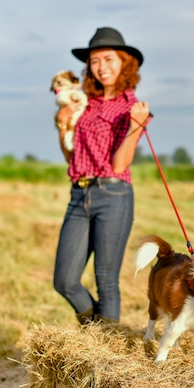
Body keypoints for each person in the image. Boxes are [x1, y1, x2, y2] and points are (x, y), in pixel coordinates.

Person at [53, 27, 150, 324]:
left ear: (124, 63)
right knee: (64, 281)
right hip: (79, 193)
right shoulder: (83, 103)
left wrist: (136, 127)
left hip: (114, 195)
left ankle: (105, 346)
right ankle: (99, 334)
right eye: (95, 61)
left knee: (106, 281)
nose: (101, 67)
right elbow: (73, 156)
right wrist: (61, 127)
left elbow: (120, 165)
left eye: (108, 59)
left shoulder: (132, 107)